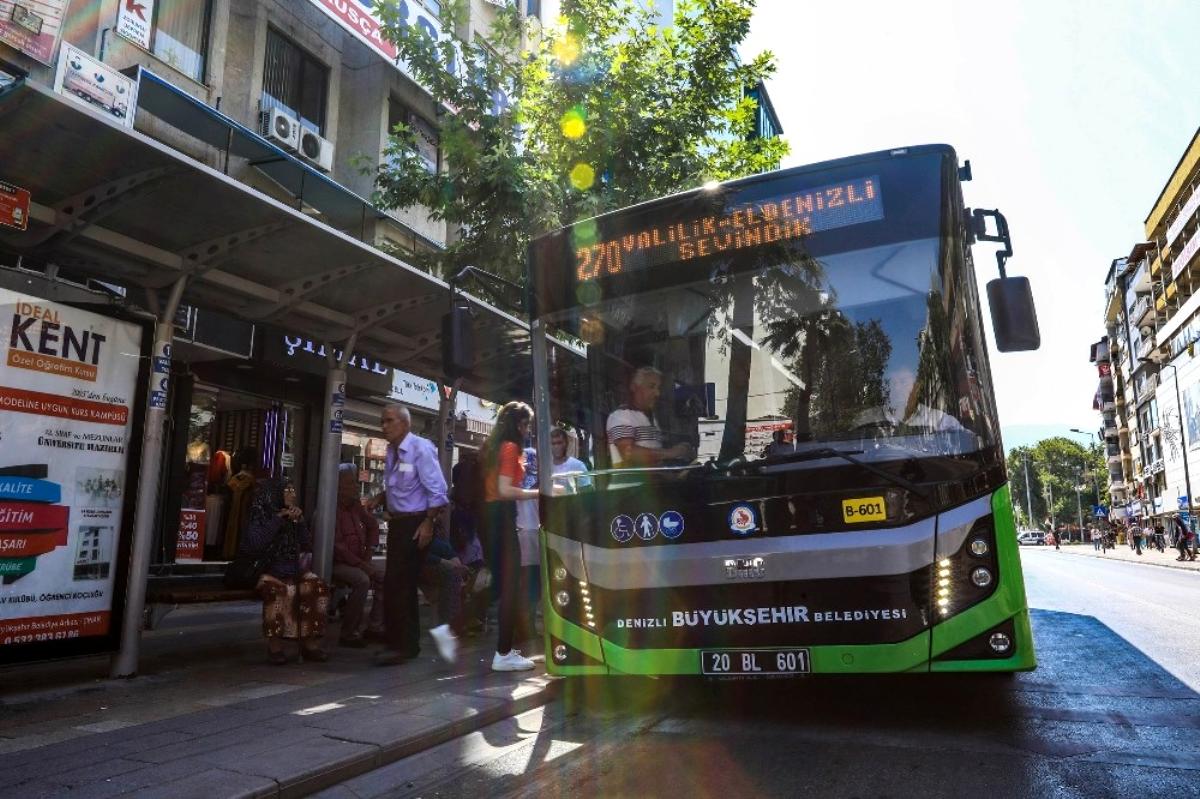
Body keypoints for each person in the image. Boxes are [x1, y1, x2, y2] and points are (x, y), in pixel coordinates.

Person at [370, 404, 450, 666]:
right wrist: (380, 498)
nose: (384, 426)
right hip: (398, 523)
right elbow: (401, 486)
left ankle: (401, 645)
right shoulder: (393, 449)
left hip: (416, 523)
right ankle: (403, 642)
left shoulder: (421, 448)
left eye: (389, 421)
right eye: (382, 421)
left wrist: (428, 523)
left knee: (400, 584)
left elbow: (438, 491)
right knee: (396, 584)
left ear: (404, 423)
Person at [241, 478, 329, 665]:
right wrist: (278, 520)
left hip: (292, 570)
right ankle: (275, 646)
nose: (293, 495)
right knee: (279, 592)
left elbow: (306, 544)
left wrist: (299, 522)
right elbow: (255, 544)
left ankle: (309, 642)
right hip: (267, 571)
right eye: (287, 491)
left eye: (293, 491)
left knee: (316, 587)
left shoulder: (293, 516)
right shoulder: (260, 514)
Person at [481, 401, 541, 671]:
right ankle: (503, 653)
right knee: (510, 587)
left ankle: (451, 629)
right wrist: (540, 493)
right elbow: (506, 490)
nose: (528, 430)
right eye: (527, 424)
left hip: (492, 518)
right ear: (519, 424)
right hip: (503, 517)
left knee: (501, 585)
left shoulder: (494, 447)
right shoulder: (511, 447)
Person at [332, 464, 384, 648]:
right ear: (338, 487)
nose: (355, 487)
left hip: (357, 560)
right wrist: (362, 565)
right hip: (337, 563)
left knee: (383, 577)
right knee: (362, 580)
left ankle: (374, 627)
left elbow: (373, 526)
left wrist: (369, 552)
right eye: (350, 484)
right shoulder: (331, 509)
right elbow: (338, 549)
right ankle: (348, 633)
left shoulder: (355, 507)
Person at [606, 366, 692, 468]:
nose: (657, 393)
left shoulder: (651, 417)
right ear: (634, 387)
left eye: (658, 388)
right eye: (651, 386)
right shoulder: (621, 415)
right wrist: (670, 453)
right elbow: (628, 453)